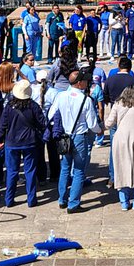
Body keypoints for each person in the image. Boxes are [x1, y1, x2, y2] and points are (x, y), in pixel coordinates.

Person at [48, 70, 101, 213]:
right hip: (79, 137)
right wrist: (99, 131)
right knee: (78, 170)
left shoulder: (61, 96)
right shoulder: (86, 100)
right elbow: (92, 124)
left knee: (65, 168)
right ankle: (73, 204)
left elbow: (51, 114)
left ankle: (62, 199)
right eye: (84, 81)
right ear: (79, 83)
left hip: (65, 136)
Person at [0, 79, 46, 207]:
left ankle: (9, 199)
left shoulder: (9, 106)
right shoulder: (33, 106)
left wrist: (0, 139)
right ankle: (31, 199)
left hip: (12, 142)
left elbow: (3, 125)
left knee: (12, 171)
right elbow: (42, 123)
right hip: (30, 141)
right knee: (30, 171)